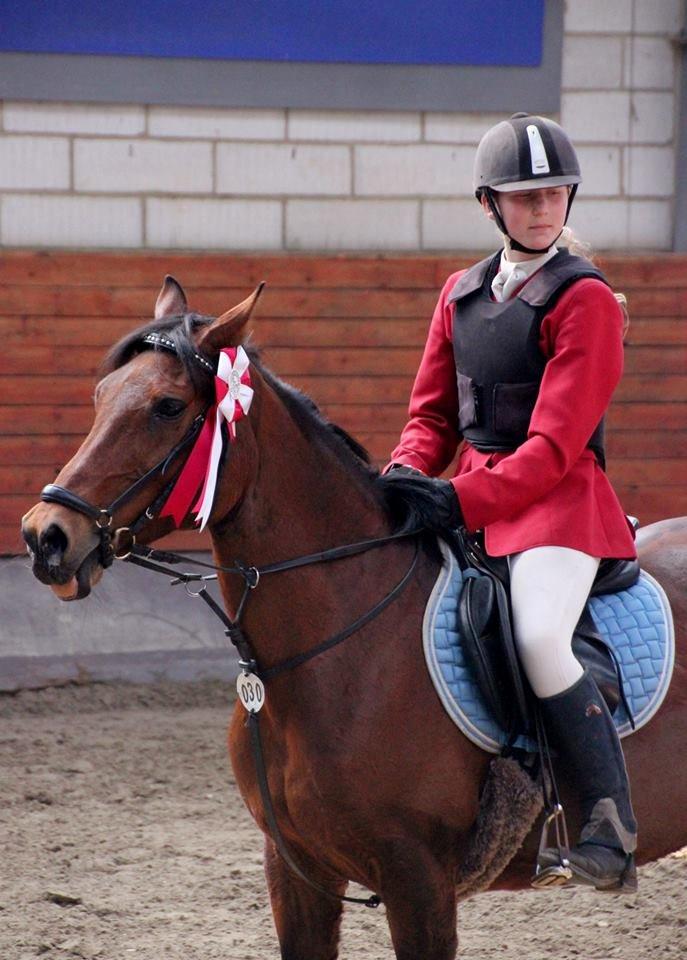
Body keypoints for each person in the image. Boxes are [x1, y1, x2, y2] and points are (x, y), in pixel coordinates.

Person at [384, 113, 638, 892]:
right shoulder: (459, 294)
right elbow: (430, 416)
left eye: (555, 194)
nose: (542, 210)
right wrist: (401, 478)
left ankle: (607, 823)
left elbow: (554, 450)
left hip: (556, 508)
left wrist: (453, 499)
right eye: (524, 198)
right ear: (490, 205)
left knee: (536, 637)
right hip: (471, 493)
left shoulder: (584, 299)